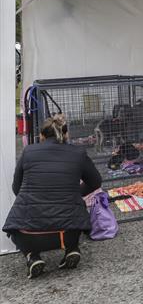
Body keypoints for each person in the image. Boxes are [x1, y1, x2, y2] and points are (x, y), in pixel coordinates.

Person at [3, 115, 102, 279]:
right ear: (66, 135)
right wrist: (75, 194)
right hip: (68, 232)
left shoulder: (28, 152)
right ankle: (71, 249)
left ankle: (32, 256)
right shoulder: (78, 153)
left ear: (42, 136)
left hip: (29, 234)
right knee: (75, 215)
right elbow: (96, 182)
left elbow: (16, 188)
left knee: (16, 227)